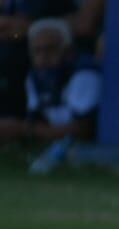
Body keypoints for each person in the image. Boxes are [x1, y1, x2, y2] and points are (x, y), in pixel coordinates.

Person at [0, 16, 99, 145]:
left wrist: (22, 129)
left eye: (50, 49)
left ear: (68, 51)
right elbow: (38, 121)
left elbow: (83, 130)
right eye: (37, 51)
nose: (43, 57)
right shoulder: (34, 77)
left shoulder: (84, 74)